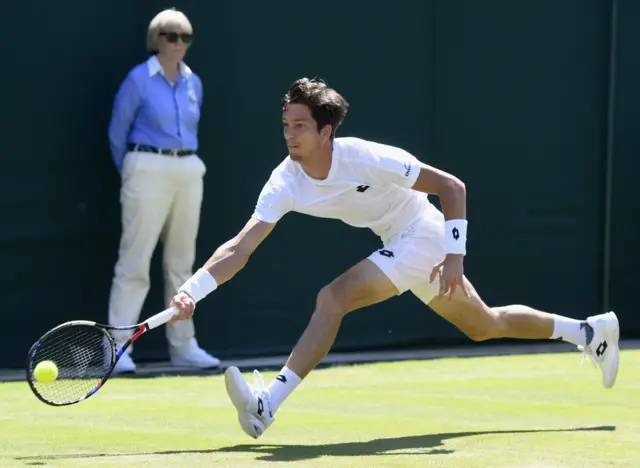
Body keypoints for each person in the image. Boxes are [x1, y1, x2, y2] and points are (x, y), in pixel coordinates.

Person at [168, 77, 620, 438]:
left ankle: (267, 406)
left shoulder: (366, 157)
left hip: (424, 232)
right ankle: (590, 331)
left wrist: (455, 255)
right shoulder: (285, 181)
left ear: (326, 131)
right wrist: (192, 291)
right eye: (286, 125)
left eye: (300, 126)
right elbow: (240, 247)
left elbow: (452, 187)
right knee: (485, 325)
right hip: (399, 239)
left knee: (333, 298)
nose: (290, 135)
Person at [106, 8, 220, 374]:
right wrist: (132, 172)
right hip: (146, 166)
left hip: (188, 168)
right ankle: (118, 348)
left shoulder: (194, 83)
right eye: (171, 36)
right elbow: (117, 133)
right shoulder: (138, 79)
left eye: (185, 37)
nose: (179, 43)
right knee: (134, 261)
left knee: (182, 264)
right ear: (157, 40)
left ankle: (184, 347)